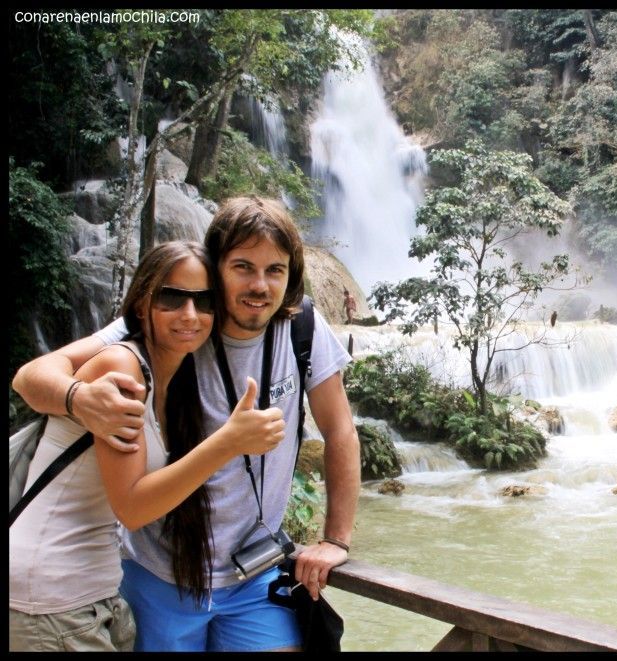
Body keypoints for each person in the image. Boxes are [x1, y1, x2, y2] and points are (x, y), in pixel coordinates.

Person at [12, 197, 361, 652]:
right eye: (243, 267)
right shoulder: (177, 320)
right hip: (159, 575)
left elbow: (340, 431)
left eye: (275, 270)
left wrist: (336, 538)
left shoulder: (301, 327)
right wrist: (78, 399)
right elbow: (29, 377)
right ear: (215, 267)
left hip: (254, 575)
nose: (260, 285)